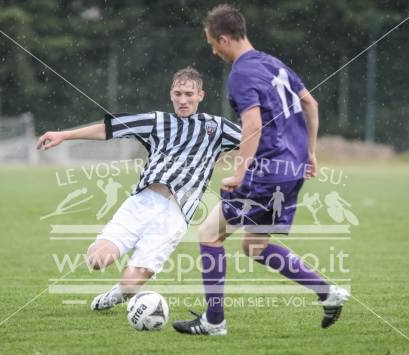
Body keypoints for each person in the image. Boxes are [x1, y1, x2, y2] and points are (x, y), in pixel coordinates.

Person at [173, 4, 349, 336]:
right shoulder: (273, 64)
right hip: (291, 169)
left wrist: (240, 173)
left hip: (265, 172)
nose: (212, 50)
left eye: (212, 43)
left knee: (209, 234)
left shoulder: (241, 73)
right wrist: (309, 151)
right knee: (254, 245)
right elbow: (311, 103)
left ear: (224, 38)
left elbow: (252, 126)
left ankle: (214, 321)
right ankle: (328, 293)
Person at [36, 67, 241, 310]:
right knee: (97, 260)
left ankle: (116, 295)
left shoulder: (216, 127)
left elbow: (256, 140)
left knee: (131, 285)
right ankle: (121, 282)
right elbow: (109, 129)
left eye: (189, 94)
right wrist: (64, 135)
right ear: (171, 95)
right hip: (141, 203)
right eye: (178, 93)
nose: (183, 99)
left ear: (201, 96)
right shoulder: (156, 121)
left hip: (175, 216)